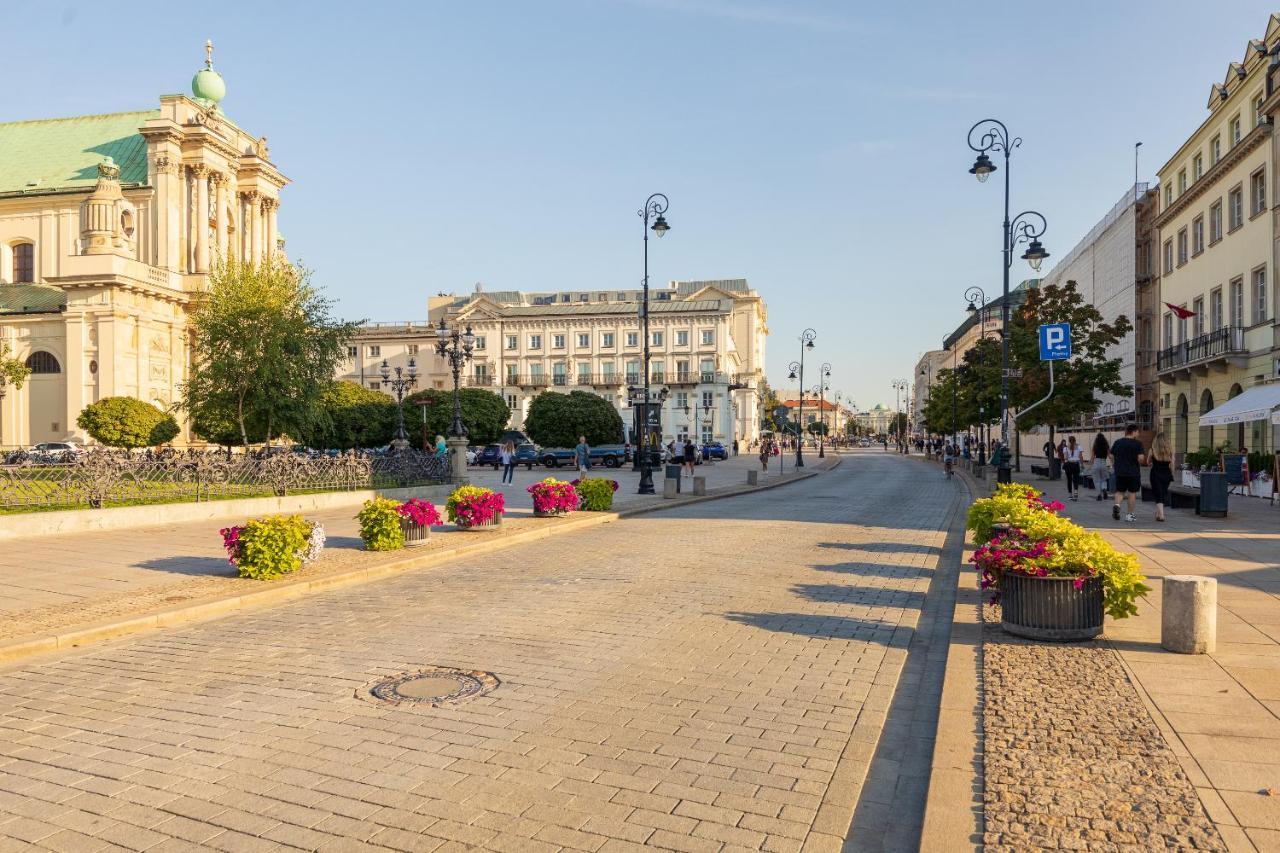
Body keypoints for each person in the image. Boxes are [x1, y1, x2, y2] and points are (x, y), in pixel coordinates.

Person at [1110, 424, 1146, 522]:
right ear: (1133, 431)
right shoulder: (1138, 444)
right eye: (1138, 432)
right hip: (1133, 472)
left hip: (1120, 471)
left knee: (1120, 491)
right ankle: (1129, 515)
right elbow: (1141, 458)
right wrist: (1140, 462)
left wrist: (1116, 463)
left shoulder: (1118, 442)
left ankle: (1117, 505)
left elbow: (1111, 455)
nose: (1138, 434)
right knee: (1132, 493)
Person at [1149, 432, 1174, 522]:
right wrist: (1171, 474)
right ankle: (1158, 514)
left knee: (1158, 493)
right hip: (1166, 474)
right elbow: (1172, 465)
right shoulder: (1170, 451)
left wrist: (1151, 462)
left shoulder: (1152, 450)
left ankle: (1162, 515)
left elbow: (1148, 462)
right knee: (1162, 492)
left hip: (1155, 473)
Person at [1091, 432, 1111, 501]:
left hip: (1096, 462)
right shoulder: (1106, 446)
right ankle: (1104, 489)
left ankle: (1099, 495)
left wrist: (1090, 465)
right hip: (1103, 463)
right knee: (1103, 479)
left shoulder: (1095, 446)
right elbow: (1110, 456)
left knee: (1097, 480)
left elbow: (1092, 457)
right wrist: (1113, 462)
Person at [1062, 435, 1083, 501]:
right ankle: (1076, 491)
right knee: (1076, 479)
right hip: (1076, 464)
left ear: (1069, 441)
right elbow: (1081, 457)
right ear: (1075, 440)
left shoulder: (1065, 448)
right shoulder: (1079, 447)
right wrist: (1082, 464)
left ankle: (1070, 495)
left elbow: (1065, 458)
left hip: (1068, 465)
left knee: (1069, 480)